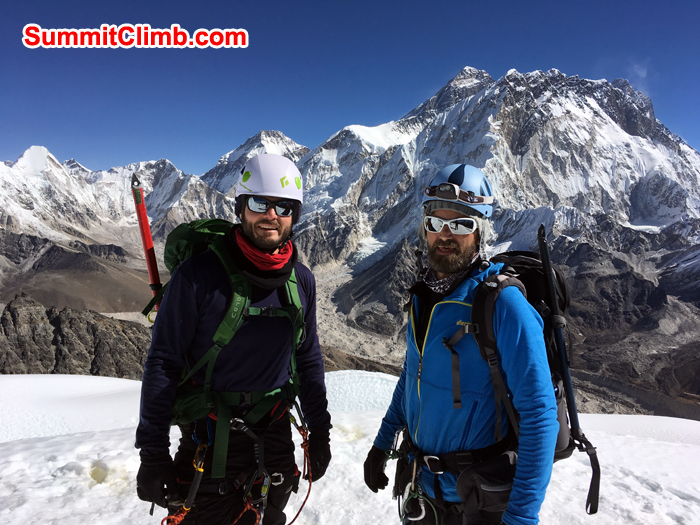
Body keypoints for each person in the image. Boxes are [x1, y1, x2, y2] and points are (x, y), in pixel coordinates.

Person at [135, 153, 332, 525]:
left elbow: (308, 357)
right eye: (260, 203)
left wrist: (320, 431)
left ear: (296, 214)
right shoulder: (198, 277)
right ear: (241, 207)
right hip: (210, 441)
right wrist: (152, 454)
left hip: (275, 439)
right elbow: (163, 362)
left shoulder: (301, 281)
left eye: (284, 206)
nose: (271, 215)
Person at [363, 164, 558, 525]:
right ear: (425, 228)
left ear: (480, 231)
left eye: (461, 224)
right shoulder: (422, 297)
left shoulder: (504, 305)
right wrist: (382, 442)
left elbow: (540, 416)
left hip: (478, 502)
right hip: (421, 493)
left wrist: (522, 517)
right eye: (436, 222)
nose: (445, 235)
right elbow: (412, 376)